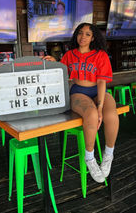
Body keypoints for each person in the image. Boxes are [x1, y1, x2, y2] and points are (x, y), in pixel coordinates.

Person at [43, 22, 119, 183]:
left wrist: (100, 107)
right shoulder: (69, 54)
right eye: (80, 33)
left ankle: (108, 155)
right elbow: (61, 71)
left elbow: (101, 82)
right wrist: (52, 62)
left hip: (98, 90)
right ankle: (89, 157)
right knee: (91, 114)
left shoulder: (101, 55)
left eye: (87, 34)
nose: (82, 37)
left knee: (111, 115)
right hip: (78, 91)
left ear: (93, 38)